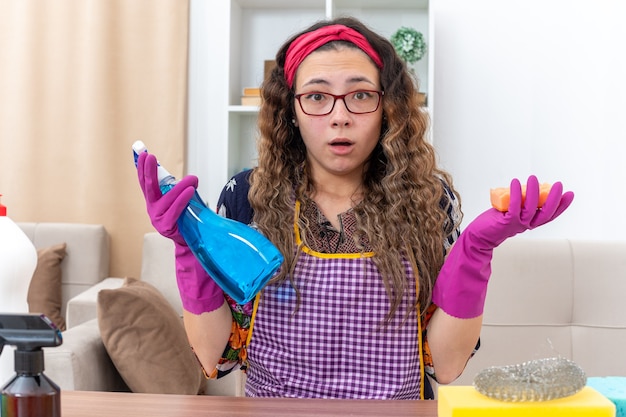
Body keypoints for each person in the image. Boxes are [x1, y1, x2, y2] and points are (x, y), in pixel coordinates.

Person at [137, 16, 574, 399]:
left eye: (361, 95)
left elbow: (446, 364)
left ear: (388, 108)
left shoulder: (427, 199)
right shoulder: (246, 196)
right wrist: (186, 243)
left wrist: (477, 248)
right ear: (291, 111)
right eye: (317, 96)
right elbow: (217, 355)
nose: (340, 116)